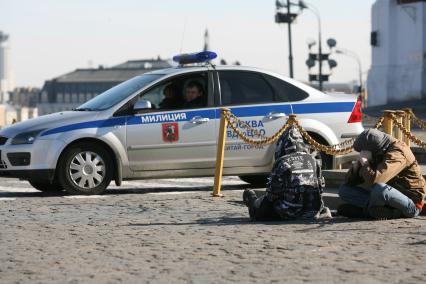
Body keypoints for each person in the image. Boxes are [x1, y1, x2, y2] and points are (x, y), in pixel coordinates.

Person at [243, 126, 330, 221]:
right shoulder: (313, 160)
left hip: (289, 212)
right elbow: (320, 189)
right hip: (313, 211)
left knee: (260, 204)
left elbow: (272, 195)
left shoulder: (282, 162)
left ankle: (253, 204)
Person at [338, 129, 426, 219]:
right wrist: (356, 167)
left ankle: (389, 213)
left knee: (380, 188)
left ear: (376, 149)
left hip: (411, 202)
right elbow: (349, 183)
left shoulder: (398, 153)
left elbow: (376, 181)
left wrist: (365, 163)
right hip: (388, 199)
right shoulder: (377, 150)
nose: (362, 153)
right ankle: (376, 211)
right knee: (344, 190)